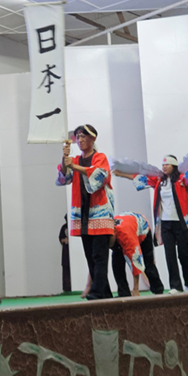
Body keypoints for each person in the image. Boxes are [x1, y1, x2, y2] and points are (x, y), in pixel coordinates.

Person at [114, 155, 188, 293]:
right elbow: (139, 178)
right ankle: (176, 286)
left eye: (167, 164)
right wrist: (121, 174)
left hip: (181, 223)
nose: (164, 167)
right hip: (165, 224)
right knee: (170, 256)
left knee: (184, 255)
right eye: (163, 165)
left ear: (174, 166)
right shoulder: (159, 181)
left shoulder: (181, 179)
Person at [56, 124, 115, 301]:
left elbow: (100, 175)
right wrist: (65, 158)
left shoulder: (100, 157)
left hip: (99, 212)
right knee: (90, 257)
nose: (80, 140)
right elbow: (64, 176)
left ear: (93, 139)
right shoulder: (74, 159)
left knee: (99, 256)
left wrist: (74, 166)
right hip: (82, 214)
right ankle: (104, 293)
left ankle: (96, 292)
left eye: (83, 136)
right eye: (78, 137)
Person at [112, 211, 165, 297]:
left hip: (143, 228)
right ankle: (123, 293)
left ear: (114, 234)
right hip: (128, 225)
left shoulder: (127, 236)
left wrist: (136, 289)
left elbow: (135, 261)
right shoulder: (107, 233)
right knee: (116, 264)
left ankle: (158, 289)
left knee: (148, 263)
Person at [59, 215, 71, 293]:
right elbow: (60, 238)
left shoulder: (76, 226)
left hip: (75, 255)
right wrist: (65, 240)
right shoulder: (64, 227)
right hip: (66, 253)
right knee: (66, 271)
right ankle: (67, 289)